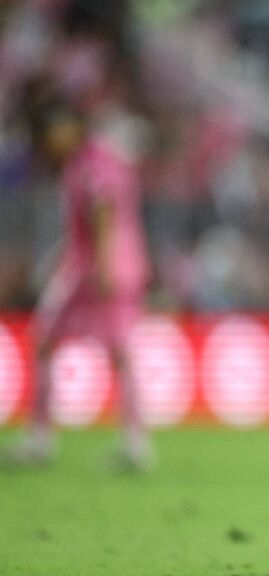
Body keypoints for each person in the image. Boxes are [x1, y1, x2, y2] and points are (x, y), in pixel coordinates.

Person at [3, 76, 151, 471]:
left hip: (99, 271)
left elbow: (102, 214)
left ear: (68, 128)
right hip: (110, 266)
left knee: (54, 342)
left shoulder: (91, 164)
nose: (49, 141)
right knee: (109, 352)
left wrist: (102, 267)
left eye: (52, 131)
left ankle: (44, 440)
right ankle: (133, 444)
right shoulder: (97, 158)